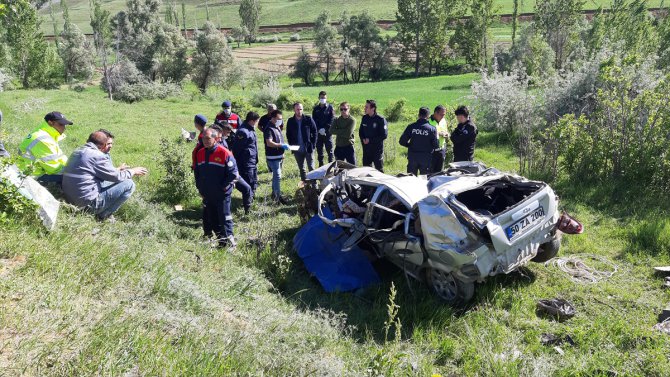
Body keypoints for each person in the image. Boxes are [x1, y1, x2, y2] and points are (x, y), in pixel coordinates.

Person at [62, 130, 148, 222]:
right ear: (104, 145)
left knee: (111, 181)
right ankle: (103, 215)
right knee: (129, 184)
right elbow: (117, 177)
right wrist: (133, 171)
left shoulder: (77, 151)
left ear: (88, 141)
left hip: (70, 200)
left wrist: (117, 170)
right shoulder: (97, 155)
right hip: (86, 205)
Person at [194, 127, 238, 249]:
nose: (205, 141)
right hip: (207, 194)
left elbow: (233, 174)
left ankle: (230, 243)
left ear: (215, 139)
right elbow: (197, 173)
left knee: (225, 218)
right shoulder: (200, 153)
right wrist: (200, 189)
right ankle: (221, 241)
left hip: (221, 194)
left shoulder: (224, 153)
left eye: (208, 138)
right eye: (203, 138)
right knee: (212, 218)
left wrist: (223, 187)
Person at [17, 111, 73, 184]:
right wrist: (72, 172)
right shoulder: (43, 140)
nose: (64, 128)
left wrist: (71, 166)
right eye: (61, 124)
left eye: (65, 125)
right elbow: (54, 169)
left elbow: (59, 157)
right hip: (31, 176)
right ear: (50, 123)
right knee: (73, 178)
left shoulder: (46, 134)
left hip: (34, 171)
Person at [214, 122, 253, 214]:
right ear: (221, 131)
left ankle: (248, 211)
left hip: (233, 173)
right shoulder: (215, 146)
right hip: (224, 176)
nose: (228, 134)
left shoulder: (224, 141)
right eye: (227, 132)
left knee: (247, 189)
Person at [231, 111, 260, 210]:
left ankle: (251, 201)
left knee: (253, 182)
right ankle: (248, 207)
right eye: (256, 121)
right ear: (251, 121)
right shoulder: (243, 132)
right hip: (246, 163)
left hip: (251, 161)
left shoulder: (250, 129)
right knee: (248, 183)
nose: (257, 124)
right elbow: (237, 149)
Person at [399, 107, 439, 176]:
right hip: (426, 159)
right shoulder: (432, 129)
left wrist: (409, 145)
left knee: (411, 179)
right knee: (424, 181)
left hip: (412, 157)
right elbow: (436, 145)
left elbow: (402, 141)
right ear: (428, 116)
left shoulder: (411, 126)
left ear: (418, 115)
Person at [286, 102, 317, 181]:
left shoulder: (308, 119)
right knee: (302, 169)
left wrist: (313, 145)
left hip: (308, 148)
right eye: (297, 109)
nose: (299, 111)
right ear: (294, 110)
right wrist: (291, 145)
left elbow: (314, 131)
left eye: (300, 109)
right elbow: (288, 134)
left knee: (311, 168)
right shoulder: (290, 121)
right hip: (297, 149)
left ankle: (314, 186)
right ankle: (305, 187)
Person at [264, 110, 290, 204]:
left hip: (279, 156)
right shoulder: (269, 128)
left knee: (276, 176)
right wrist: (280, 145)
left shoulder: (277, 127)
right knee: (277, 176)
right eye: (279, 119)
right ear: (273, 118)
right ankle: (277, 197)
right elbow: (269, 143)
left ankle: (274, 194)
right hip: (272, 157)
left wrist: (282, 151)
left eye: (281, 119)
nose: (280, 121)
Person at [359, 100, 388, 172]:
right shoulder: (364, 118)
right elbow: (360, 132)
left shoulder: (380, 119)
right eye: (365, 107)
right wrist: (363, 139)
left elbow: (384, 135)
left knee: (379, 170)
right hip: (366, 150)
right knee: (366, 171)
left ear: (373, 108)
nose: (364, 108)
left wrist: (370, 140)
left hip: (377, 150)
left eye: (366, 107)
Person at [312, 91, 335, 166]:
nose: (323, 99)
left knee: (330, 151)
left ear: (326, 98)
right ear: (318, 98)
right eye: (321, 98)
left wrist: (325, 128)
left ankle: (331, 166)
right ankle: (321, 165)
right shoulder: (315, 109)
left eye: (324, 98)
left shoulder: (330, 107)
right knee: (319, 151)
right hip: (318, 134)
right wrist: (319, 129)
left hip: (328, 133)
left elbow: (332, 119)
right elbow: (314, 120)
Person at [429, 105, 450, 173]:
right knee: (430, 172)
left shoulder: (443, 120)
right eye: (441, 115)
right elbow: (427, 135)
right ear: (435, 113)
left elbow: (446, 131)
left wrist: (447, 134)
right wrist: (438, 134)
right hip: (431, 151)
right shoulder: (428, 121)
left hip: (441, 150)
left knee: (439, 172)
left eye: (444, 115)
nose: (443, 117)